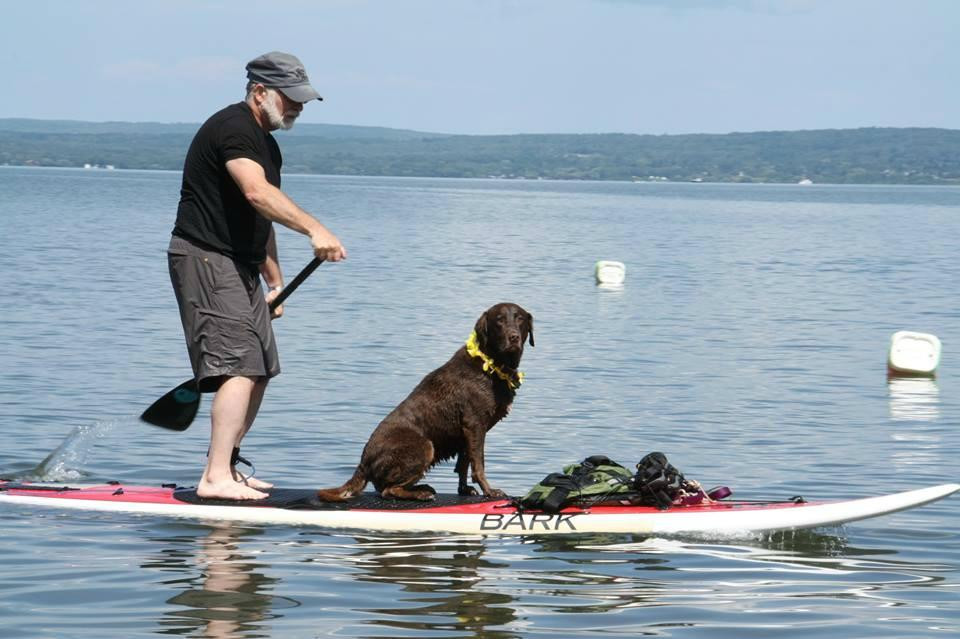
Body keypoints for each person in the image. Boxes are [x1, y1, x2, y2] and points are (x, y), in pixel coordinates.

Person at [168, 51, 346, 500]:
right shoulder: (233, 128)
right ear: (260, 92)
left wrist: (275, 281)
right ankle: (214, 477)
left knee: (261, 368)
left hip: (240, 266)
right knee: (239, 366)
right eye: (291, 97)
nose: (299, 106)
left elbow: (261, 217)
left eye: (303, 99)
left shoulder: (268, 144)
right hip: (206, 258)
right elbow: (256, 192)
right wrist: (315, 229)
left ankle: (227, 467)